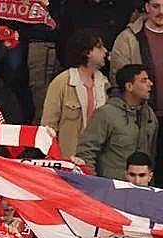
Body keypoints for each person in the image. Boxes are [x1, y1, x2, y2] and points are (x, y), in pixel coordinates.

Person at [109, 0, 163, 186]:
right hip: (143, 121)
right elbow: (119, 82)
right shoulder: (128, 38)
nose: (161, 12)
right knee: (147, 182)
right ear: (146, 7)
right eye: (155, 6)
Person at [75, 63, 158, 177]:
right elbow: (86, 152)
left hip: (141, 188)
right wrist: (94, 184)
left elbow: (151, 154)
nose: (150, 84)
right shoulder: (106, 114)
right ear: (129, 86)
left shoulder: (149, 115)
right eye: (144, 81)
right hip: (110, 187)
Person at [41, 30, 111, 159]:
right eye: (100, 47)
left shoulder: (105, 84)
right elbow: (48, 127)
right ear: (87, 52)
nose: (105, 51)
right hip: (68, 158)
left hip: (97, 159)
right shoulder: (61, 83)